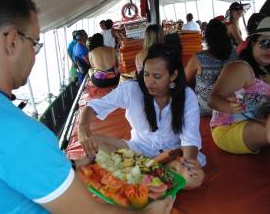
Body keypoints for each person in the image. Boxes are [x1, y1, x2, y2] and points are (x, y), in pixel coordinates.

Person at [0, 0, 175, 213]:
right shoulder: (20, 134)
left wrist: (73, 165)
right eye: (35, 44)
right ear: (12, 41)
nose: (34, 56)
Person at [79, 44, 206, 189]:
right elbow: (93, 107)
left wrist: (188, 165)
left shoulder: (186, 96)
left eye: (157, 76)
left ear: (173, 75)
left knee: (193, 178)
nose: (149, 82)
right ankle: (152, 178)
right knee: (93, 143)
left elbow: (190, 140)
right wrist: (83, 127)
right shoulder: (131, 89)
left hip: (173, 156)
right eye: (146, 74)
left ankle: (138, 176)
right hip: (136, 151)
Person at [208, 17, 270, 154]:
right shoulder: (241, 68)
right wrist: (229, 106)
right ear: (252, 43)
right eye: (265, 43)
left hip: (258, 124)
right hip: (228, 128)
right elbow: (213, 99)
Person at [185, 19, 237, 116]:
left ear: (207, 37)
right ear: (226, 35)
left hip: (205, 108)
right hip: (229, 106)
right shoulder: (235, 55)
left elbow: (184, 81)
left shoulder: (199, 58)